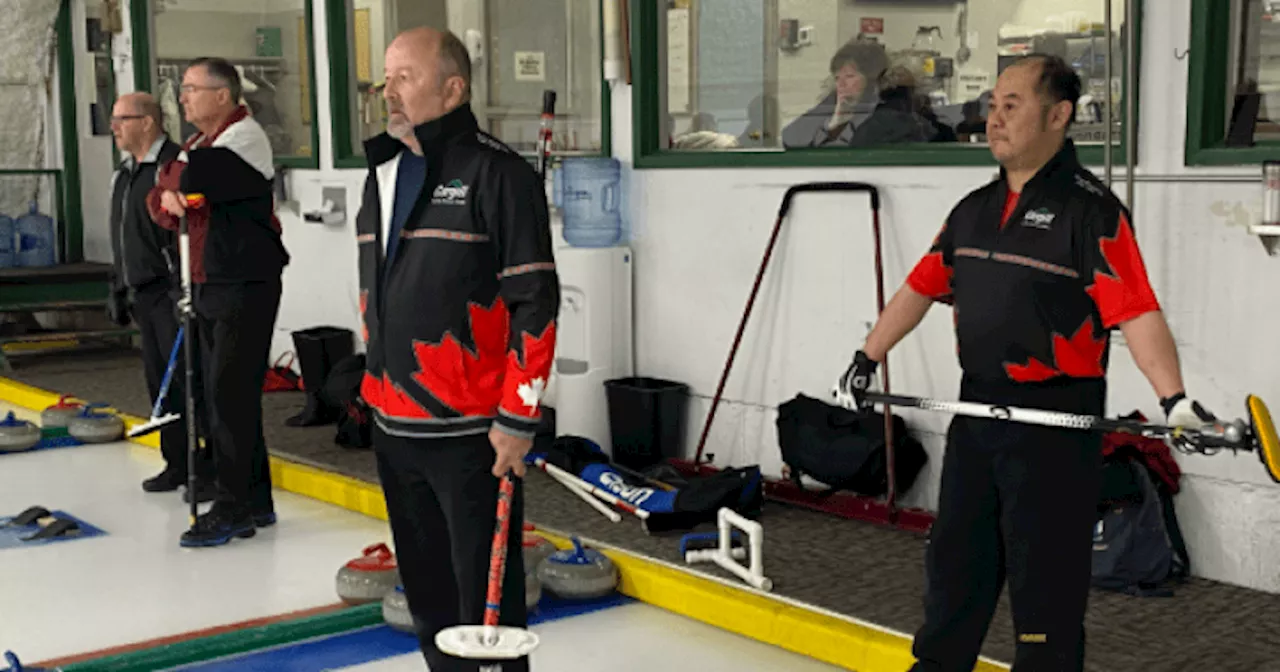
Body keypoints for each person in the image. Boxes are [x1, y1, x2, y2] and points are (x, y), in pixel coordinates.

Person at [834, 54, 1220, 671]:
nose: (994, 118)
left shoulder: (1092, 212)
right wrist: (865, 356)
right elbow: (919, 288)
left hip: (1054, 425)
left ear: (1059, 115)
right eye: (992, 104)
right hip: (976, 412)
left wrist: (1175, 401)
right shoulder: (972, 211)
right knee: (957, 562)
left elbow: (1137, 311)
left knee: (1045, 583)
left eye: (1012, 104)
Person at [354, 27, 559, 671]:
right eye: (385, 77)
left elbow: (536, 303)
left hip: (475, 435)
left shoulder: (498, 175)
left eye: (405, 77)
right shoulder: (383, 172)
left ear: (453, 87)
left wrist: (519, 418)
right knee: (430, 605)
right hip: (395, 424)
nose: (390, 90)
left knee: (487, 613)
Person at [148, 57, 290, 548]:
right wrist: (179, 189)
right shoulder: (198, 144)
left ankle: (234, 507)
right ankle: (254, 497)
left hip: (242, 283)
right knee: (218, 393)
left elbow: (185, 182)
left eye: (191, 89)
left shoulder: (244, 138)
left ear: (223, 96)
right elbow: (162, 193)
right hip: (209, 280)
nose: (183, 98)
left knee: (230, 394)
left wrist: (181, 189)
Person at [106, 92, 213, 496]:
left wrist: (183, 288)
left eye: (122, 119)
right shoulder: (125, 173)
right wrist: (117, 285)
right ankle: (176, 461)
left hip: (172, 292)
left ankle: (204, 464)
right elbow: (121, 234)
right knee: (160, 383)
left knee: (190, 380)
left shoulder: (171, 167)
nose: (114, 127)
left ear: (148, 122)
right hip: (141, 293)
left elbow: (184, 231)